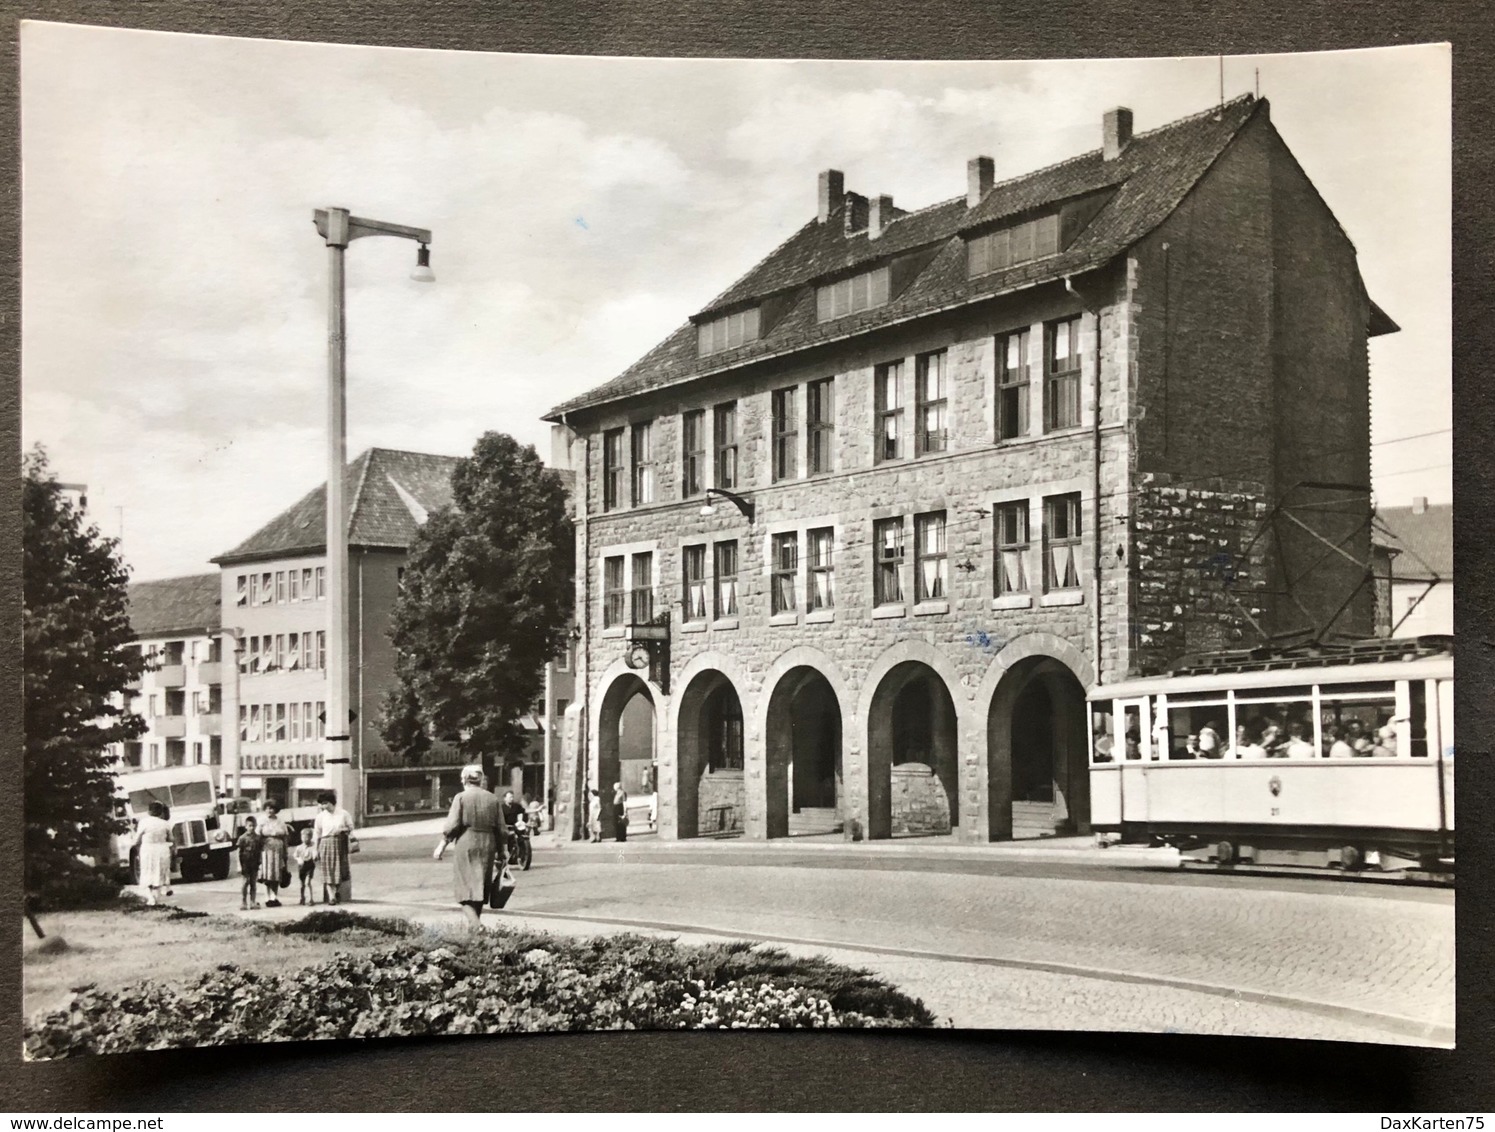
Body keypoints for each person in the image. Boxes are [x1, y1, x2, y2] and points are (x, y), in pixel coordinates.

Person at [439, 764, 506, 931]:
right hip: (488, 843)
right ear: (481, 779)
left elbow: (452, 825)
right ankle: (474, 931)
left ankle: (476, 926)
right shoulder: (492, 798)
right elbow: (501, 828)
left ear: (464, 780)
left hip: (467, 842)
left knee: (464, 889)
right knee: (480, 886)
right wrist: (502, 850)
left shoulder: (460, 797)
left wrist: (441, 845)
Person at [313, 790, 355, 905]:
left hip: (340, 842)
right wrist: (315, 850)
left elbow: (351, 828)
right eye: (322, 803)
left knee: (340, 869)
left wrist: (343, 830)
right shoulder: (320, 816)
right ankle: (331, 897)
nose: (323, 806)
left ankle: (336, 891)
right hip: (326, 842)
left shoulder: (343, 813)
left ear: (332, 802)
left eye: (325, 803)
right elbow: (317, 834)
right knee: (327, 870)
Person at [133, 800, 173, 906]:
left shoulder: (144, 822)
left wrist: (136, 845)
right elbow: (171, 839)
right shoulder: (165, 824)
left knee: (147, 873)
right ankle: (156, 898)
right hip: (162, 850)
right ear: (161, 812)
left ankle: (151, 898)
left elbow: (136, 840)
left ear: (149, 811)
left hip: (148, 850)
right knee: (159, 874)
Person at [257, 802, 291, 908]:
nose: (269, 810)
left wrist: (286, 850)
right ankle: (267, 897)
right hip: (266, 849)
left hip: (278, 849)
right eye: (267, 808)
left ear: (275, 809)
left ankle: (274, 897)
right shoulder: (261, 820)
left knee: (276, 874)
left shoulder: (280, 821)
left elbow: (285, 836)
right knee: (267, 874)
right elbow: (257, 836)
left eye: (271, 808)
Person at [236, 816, 263, 910]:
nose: (251, 828)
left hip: (254, 863)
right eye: (249, 826)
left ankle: (253, 902)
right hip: (245, 863)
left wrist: (261, 862)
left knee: (253, 883)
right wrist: (239, 865)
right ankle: (243, 902)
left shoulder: (258, 838)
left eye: (253, 826)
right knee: (245, 882)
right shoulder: (242, 838)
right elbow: (238, 852)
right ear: (246, 826)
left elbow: (260, 851)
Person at [292, 827, 318, 905]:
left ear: (310, 837)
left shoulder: (313, 846)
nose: (305, 839)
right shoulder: (299, 847)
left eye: (307, 837)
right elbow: (295, 855)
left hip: (310, 865)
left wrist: (315, 856)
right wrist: (298, 859)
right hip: (302, 867)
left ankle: (311, 899)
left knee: (308, 882)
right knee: (302, 884)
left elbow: (315, 854)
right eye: (303, 837)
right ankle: (302, 897)